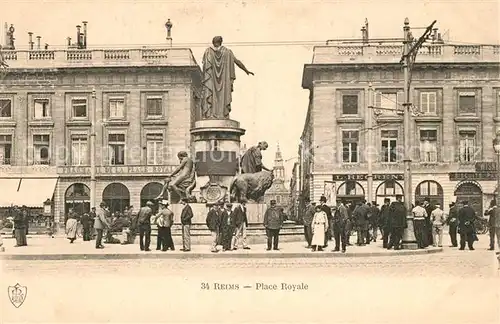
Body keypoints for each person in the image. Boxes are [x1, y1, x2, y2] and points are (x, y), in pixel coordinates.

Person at [201, 35, 254, 119]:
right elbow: (237, 62)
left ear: (213, 42)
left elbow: (205, 68)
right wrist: (246, 70)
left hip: (212, 83)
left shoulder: (208, 52)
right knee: (223, 97)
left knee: (211, 95)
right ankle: (222, 114)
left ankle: (211, 114)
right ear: (221, 42)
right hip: (224, 83)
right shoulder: (227, 52)